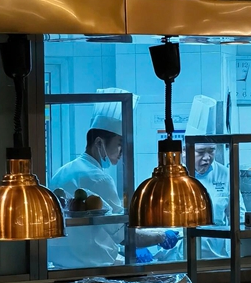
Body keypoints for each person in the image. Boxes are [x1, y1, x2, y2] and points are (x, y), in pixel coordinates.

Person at [48, 88, 175, 269]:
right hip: (92, 270)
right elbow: (123, 234)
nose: (122, 152)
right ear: (99, 142)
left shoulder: (62, 172)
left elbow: (95, 230)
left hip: (61, 268)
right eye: (119, 144)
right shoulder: (99, 178)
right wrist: (161, 236)